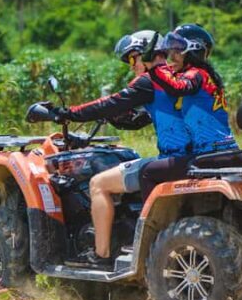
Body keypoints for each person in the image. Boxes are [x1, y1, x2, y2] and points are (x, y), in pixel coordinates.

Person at [52, 30, 192, 270]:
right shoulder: (178, 79)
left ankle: (101, 254)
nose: (131, 66)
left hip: (175, 158)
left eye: (131, 59)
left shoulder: (149, 80)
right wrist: (117, 117)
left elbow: (109, 103)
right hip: (192, 155)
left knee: (98, 184)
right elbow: (138, 119)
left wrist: (66, 113)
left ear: (144, 54)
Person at [150, 24, 242, 168]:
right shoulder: (206, 75)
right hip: (225, 153)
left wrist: (155, 66)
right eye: (172, 49)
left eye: (178, 50)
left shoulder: (196, 74)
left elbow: (177, 88)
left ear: (194, 51)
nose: (172, 55)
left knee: (147, 173)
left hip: (213, 156)